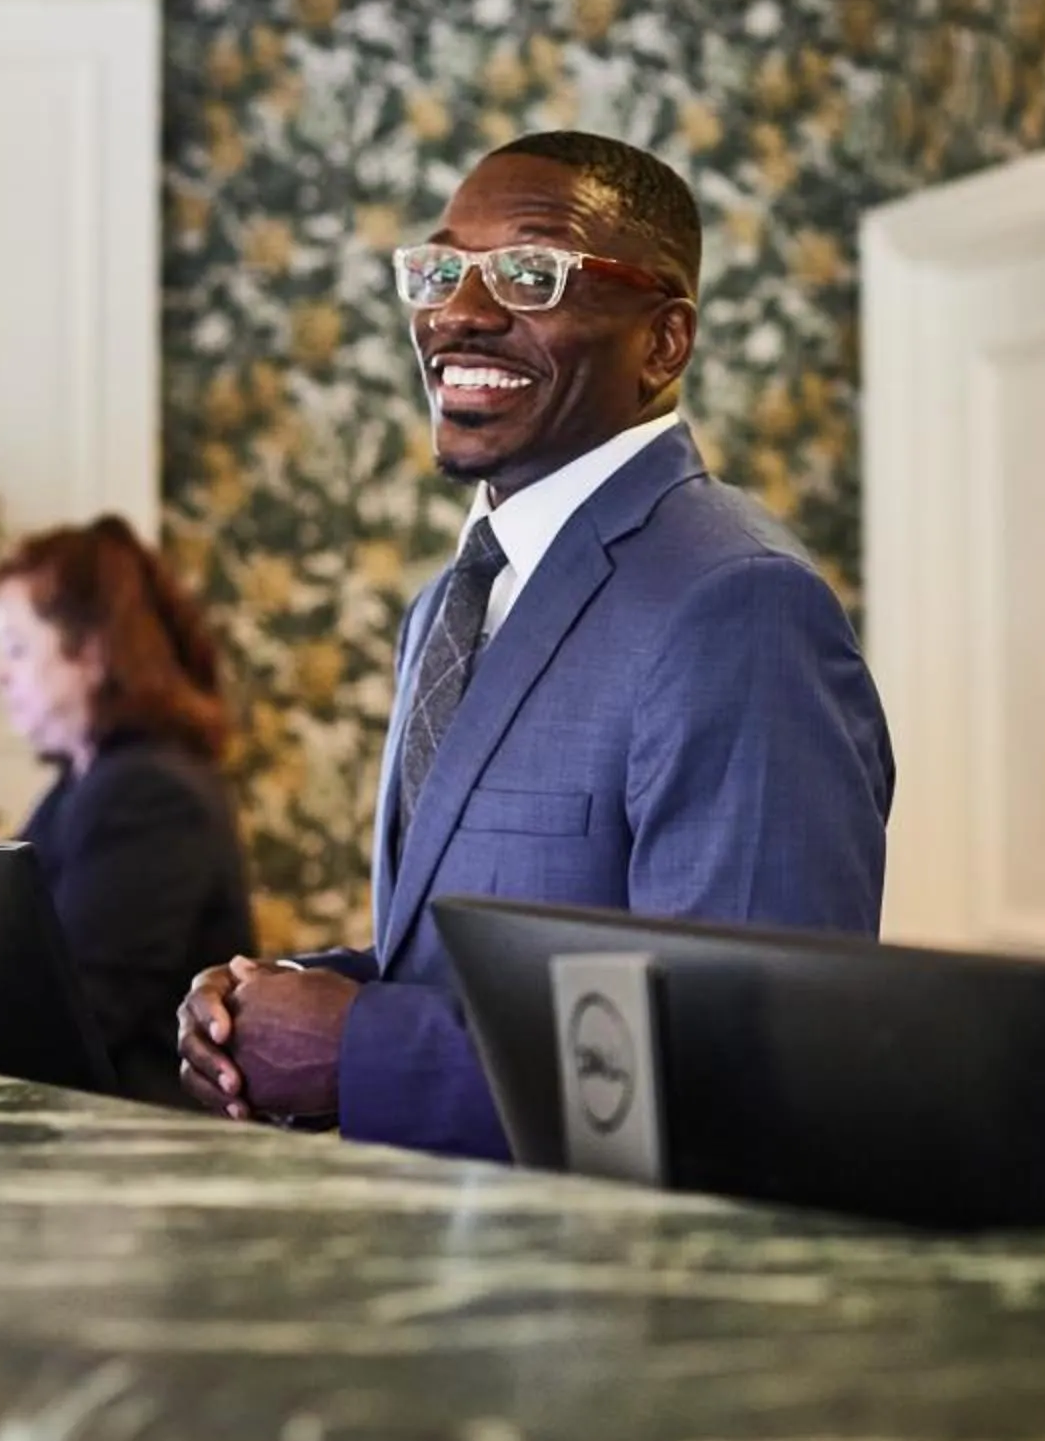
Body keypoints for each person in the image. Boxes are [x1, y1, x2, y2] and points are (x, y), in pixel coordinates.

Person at [176, 131, 892, 1155]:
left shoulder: (739, 606)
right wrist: (273, 1003)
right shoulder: (452, 601)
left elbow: (757, 1056)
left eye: (530, 272)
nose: (459, 311)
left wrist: (366, 1048)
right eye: (440, 269)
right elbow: (479, 960)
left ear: (663, 342)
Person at [0, 516, 255, 1104]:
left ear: (92, 653)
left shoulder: (149, 791)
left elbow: (77, 1016)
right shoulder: (84, 782)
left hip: (144, 1145)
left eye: (15, 649)